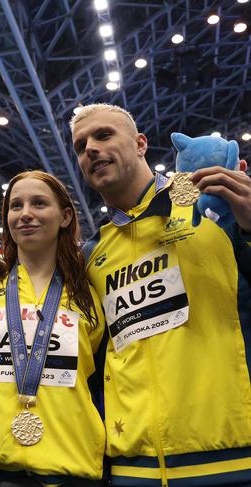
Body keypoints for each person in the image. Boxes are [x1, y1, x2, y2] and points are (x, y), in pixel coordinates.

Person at [69, 103, 251, 486]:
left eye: (103, 135)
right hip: (131, 469)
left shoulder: (209, 205)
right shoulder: (92, 254)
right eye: (80, 145)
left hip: (229, 460)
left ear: (140, 144)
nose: (90, 149)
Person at [0, 171, 106, 486]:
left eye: (39, 203)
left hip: (71, 468)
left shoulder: (92, 294)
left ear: (65, 216)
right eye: (16, 206)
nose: (25, 213)